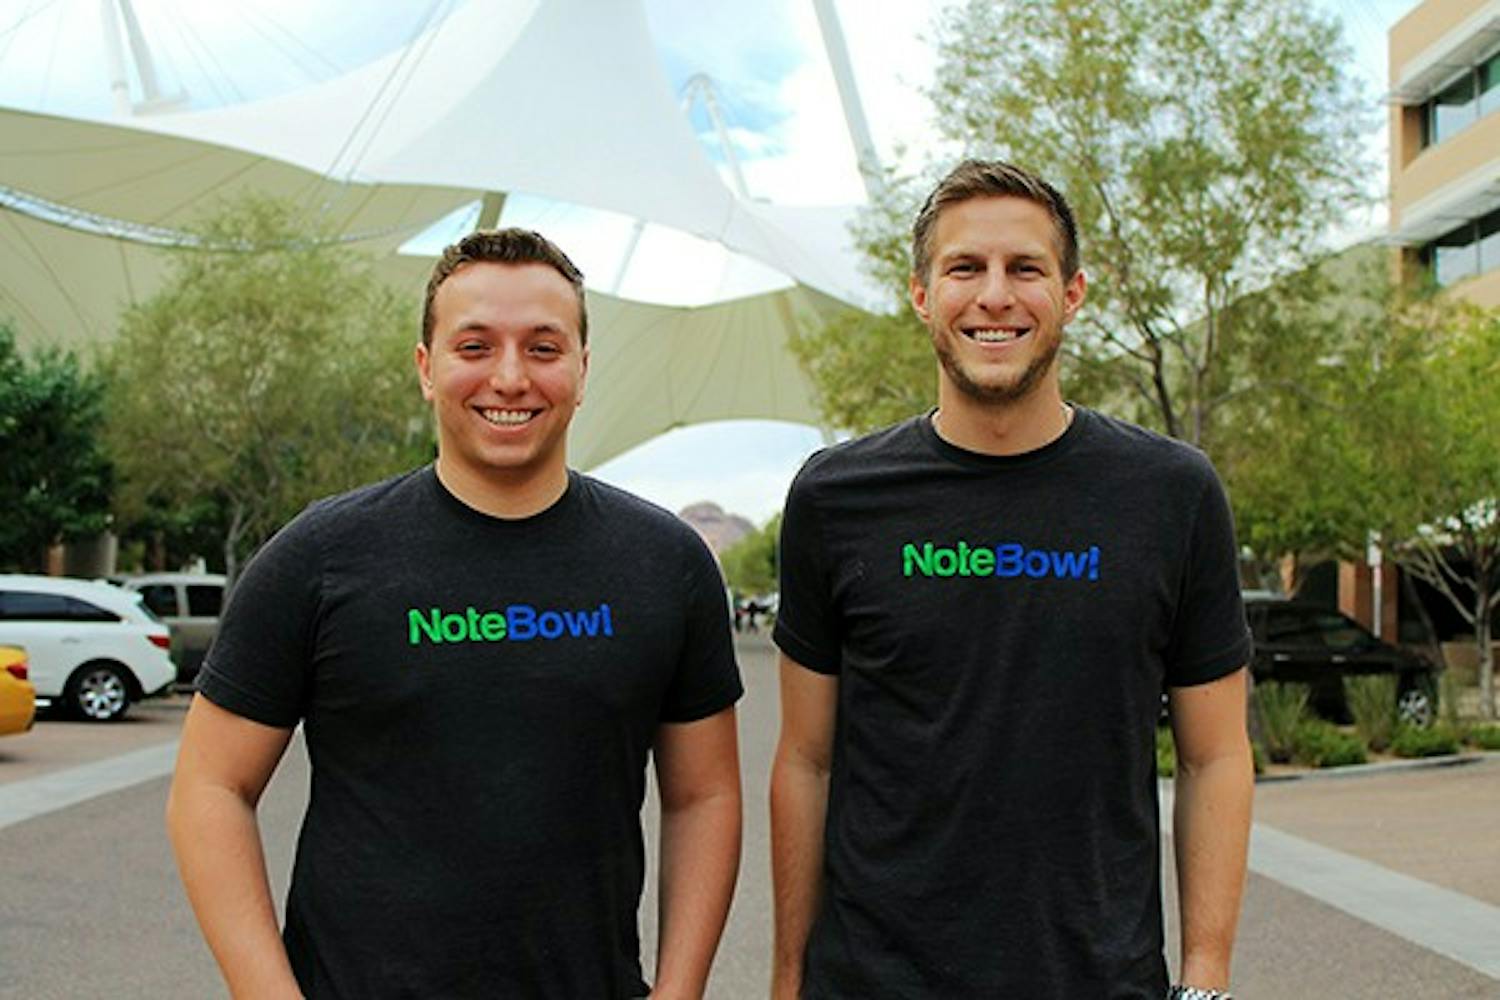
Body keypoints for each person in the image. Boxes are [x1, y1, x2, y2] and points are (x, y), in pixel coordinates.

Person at [167, 228, 743, 999]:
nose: (510, 377)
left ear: (582, 368)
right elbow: (209, 788)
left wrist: (678, 995)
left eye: (543, 348)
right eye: (475, 346)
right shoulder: (320, 557)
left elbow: (704, 795)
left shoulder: (666, 564)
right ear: (425, 368)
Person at [769, 160, 1253, 1000]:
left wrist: (1206, 980)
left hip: (1100, 980)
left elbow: (1216, 757)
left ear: (1072, 293)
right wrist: (787, 981)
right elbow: (806, 761)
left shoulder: (1173, 494)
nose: (995, 295)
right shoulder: (835, 497)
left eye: (1025, 268)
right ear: (922, 296)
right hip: (872, 981)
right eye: (965, 268)